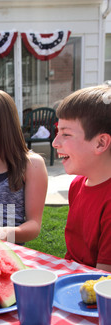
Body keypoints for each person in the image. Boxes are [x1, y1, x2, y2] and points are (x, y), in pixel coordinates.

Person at [0, 89, 48, 244]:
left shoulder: (32, 165)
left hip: (10, 251)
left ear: (5, 124)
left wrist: (6, 232)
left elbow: (34, 226)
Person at [52, 84, 111, 272]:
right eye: (57, 131)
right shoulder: (77, 185)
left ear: (101, 143)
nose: (55, 142)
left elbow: (103, 283)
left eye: (66, 134)